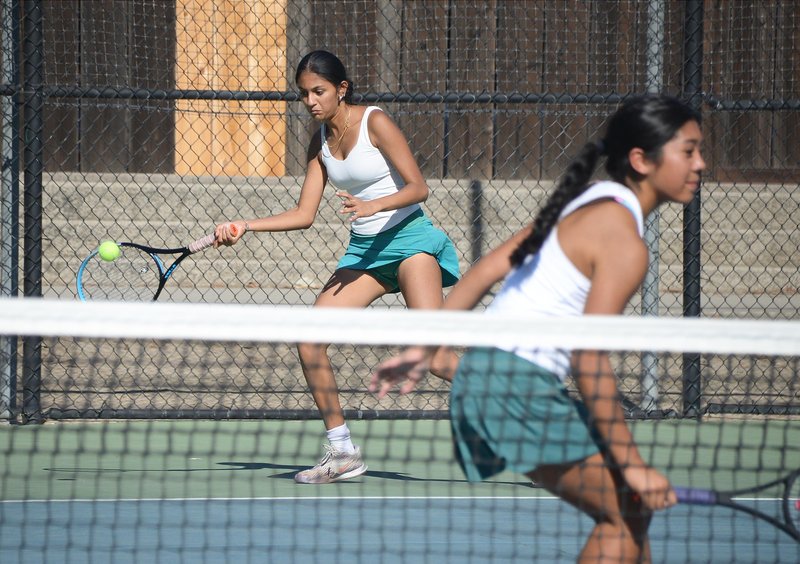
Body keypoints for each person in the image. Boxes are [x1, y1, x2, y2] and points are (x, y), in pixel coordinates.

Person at [371, 94, 705, 561]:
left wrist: (428, 345)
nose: (700, 163)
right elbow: (588, 357)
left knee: (628, 515)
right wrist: (634, 466)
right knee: (625, 510)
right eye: (688, 151)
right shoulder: (627, 245)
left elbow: (491, 265)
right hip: (515, 389)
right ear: (640, 160)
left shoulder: (588, 200)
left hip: (487, 380)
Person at [214, 50, 460, 484]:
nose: (310, 101)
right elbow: (304, 213)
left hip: (411, 244)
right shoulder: (320, 143)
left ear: (341, 89)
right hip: (365, 253)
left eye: (319, 91)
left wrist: (374, 203)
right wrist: (246, 225)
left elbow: (419, 187)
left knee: (437, 358)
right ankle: (342, 452)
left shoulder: (374, 122)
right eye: (304, 93)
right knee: (310, 341)